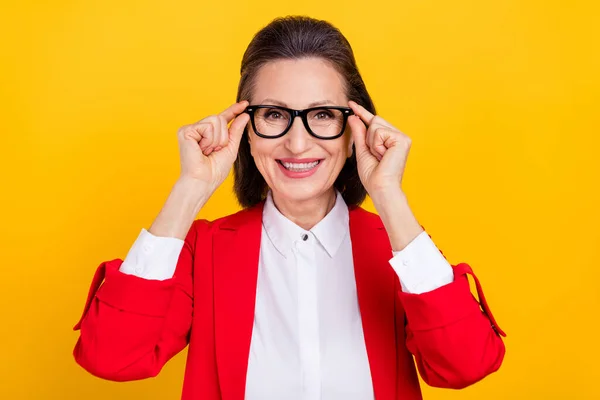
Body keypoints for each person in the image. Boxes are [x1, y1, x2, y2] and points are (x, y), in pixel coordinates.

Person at [73, 15, 506, 400]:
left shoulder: (399, 252)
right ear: (245, 129)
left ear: (354, 127)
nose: (297, 143)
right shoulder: (203, 252)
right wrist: (190, 187)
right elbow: (111, 357)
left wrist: (388, 193)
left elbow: (465, 366)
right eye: (275, 115)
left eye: (322, 115)